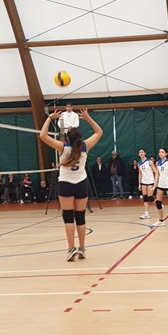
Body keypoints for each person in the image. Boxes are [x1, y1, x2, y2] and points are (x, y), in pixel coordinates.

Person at [39, 108, 103, 261]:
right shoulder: (85, 146)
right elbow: (99, 132)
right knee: (80, 217)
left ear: (67, 138)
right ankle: (82, 249)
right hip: (81, 184)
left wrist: (50, 118)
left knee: (68, 217)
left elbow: (42, 135)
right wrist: (87, 118)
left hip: (66, 184)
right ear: (80, 138)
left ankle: (71, 249)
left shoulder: (62, 147)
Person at [137, 149, 158, 219]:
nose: (141, 153)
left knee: (150, 197)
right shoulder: (139, 163)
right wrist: (139, 184)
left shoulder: (149, 161)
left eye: (142, 152)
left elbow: (155, 171)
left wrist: (155, 182)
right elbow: (140, 174)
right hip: (143, 181)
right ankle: (146, 213)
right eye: (140, 152)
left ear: (145, 153)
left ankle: (159, 205)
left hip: (150, 181)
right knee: (145, 197)